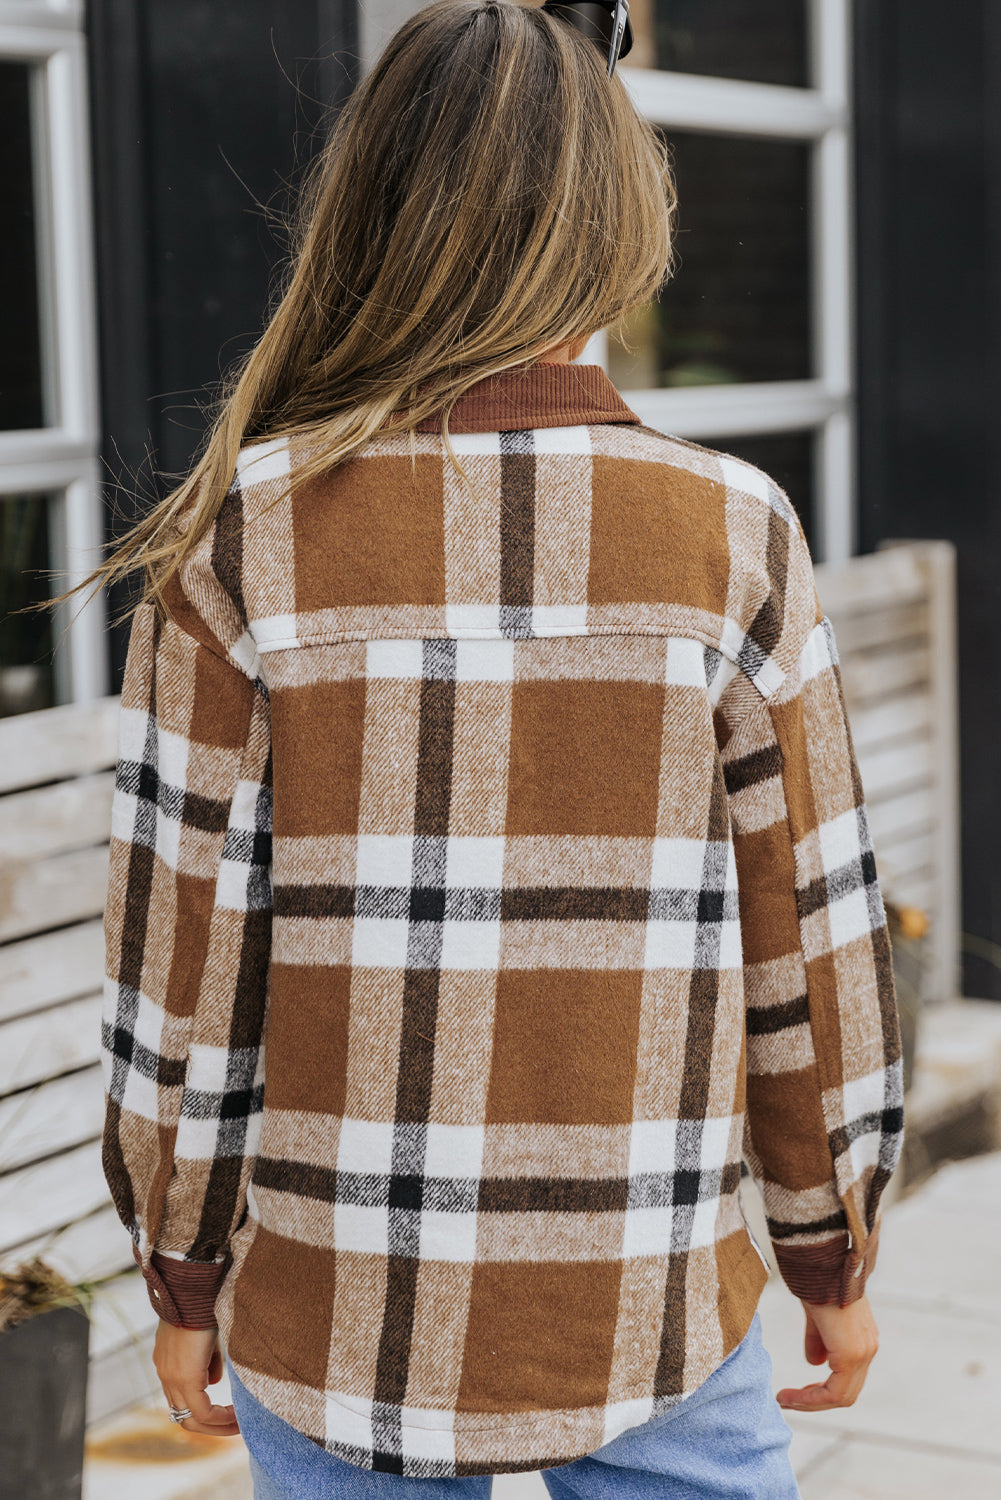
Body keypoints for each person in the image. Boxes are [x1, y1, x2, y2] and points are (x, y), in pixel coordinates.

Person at [83, 1, 903, 1495]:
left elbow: (183, 975)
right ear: (619, 223)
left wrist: (181, 1268)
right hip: (649, 1294)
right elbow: (812, 953)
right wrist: (827, 1248)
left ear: (368, 217)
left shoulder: (247, 538)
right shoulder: (731, 533)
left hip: (333, 1308)